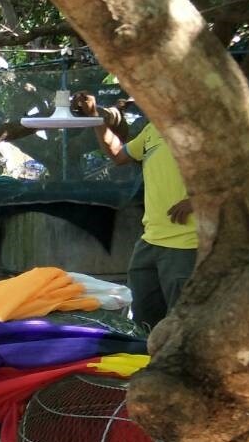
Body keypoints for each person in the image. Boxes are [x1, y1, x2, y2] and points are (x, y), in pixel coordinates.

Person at [73, 92, 197, 329]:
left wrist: (199, 199)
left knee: (183, 325)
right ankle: (147, 362)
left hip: (186, 245)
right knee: (144, 320)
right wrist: (95, 117)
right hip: (150, 241)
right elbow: (119, 154)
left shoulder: (204, 130)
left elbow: (238, 174)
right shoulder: (153, 130)